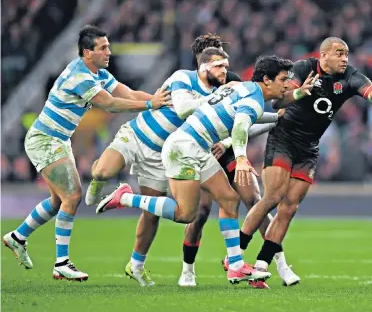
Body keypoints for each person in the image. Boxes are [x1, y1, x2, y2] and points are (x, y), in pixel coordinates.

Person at [96, 55, 294, 285]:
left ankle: (237, 266)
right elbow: (241, 126)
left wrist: (278, 115)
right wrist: (240, 158)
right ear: (267, 80)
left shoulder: (245, 89)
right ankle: (126, 197)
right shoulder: (252, 98)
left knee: (230, 200)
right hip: (183, 149)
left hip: (197, 147)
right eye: (283, 80)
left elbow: (250, 116)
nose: (287, 85)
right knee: (186, 214)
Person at [2, 25, 170, 281]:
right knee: (73, 195)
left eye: (108, 47)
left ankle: (17, 237)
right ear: (86, 52)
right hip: (44, 139)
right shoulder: (80, 76)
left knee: (59, 201)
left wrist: (160, 102)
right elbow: (110, 104)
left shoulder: (99, 73)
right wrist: (149, 104)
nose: (108, 52)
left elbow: (126, 93)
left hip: (58, 140)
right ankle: (61, 262)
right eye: (103, 48)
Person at [238, 37, 372, 280]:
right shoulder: (303, 68)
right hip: (284, 138)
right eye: (339, 53)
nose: (344, 58)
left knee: (289, 208)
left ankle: (261, 266)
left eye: (347, 54)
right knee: (273, 197)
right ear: (324, 55)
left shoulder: (350, 76)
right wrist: (300, 92)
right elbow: (280, 100)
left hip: (309, 147)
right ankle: (235, 256)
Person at [85, 47, 232, 285]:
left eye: (226, 66)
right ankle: (96, 173)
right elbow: (184, 107)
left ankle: (136, 265)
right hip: (137, 135)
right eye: (220, 66)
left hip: (160, 155)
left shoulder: (217, 93)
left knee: (151, 214)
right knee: (104, 171)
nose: (225, 71)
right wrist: (218, 98)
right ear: (204, 67)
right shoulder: (183, 77)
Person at [178, 34, 284, 289]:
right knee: (201, 212)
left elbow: (245, 123)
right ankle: (188, 269)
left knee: (254, 200)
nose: (220, 65)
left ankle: (274, 263)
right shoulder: (187, 85)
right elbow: (182, 116)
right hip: (199, 150)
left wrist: (228, 144)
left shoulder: (235, 83)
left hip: (227, 150)